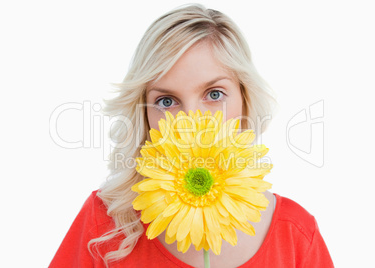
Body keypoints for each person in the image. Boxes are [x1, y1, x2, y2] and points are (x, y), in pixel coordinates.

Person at [49, 4, 334, 268]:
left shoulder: (297, 235)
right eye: (166, 101)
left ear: (246, 101)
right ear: (144, 114)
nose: (189, 122)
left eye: (214, 95)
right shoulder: (104, 224)